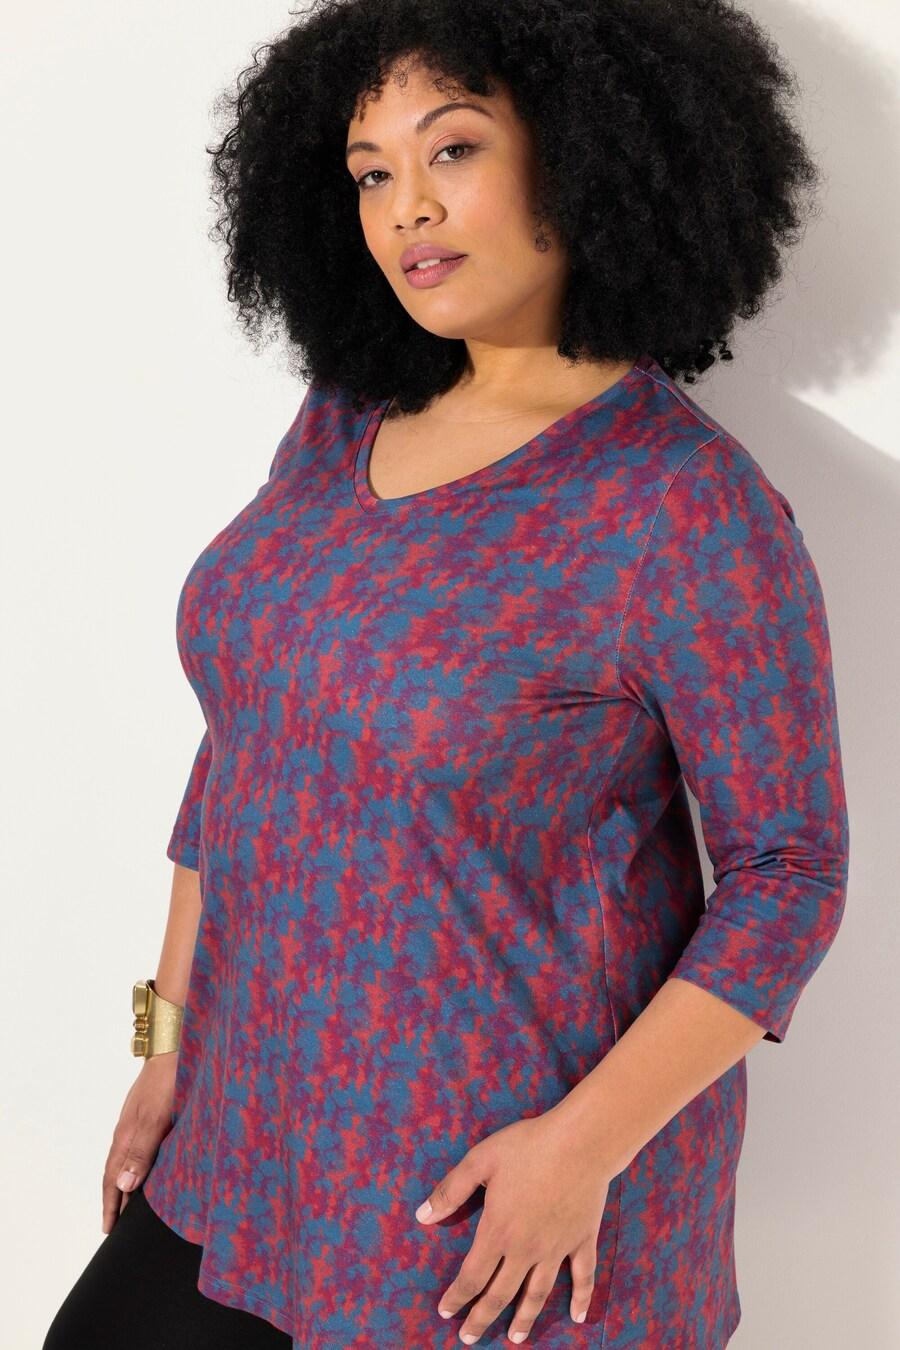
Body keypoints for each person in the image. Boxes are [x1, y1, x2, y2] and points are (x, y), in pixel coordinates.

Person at [43, 1, 850, 1347]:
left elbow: (790, 871)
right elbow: (246, 736)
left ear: (583, 155)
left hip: (487, 1200)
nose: (406, 207)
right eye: (370, 173)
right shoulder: (340, 421)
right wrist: (166, 1039)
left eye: (454, 149)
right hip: (249, 1135)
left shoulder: (682, 506)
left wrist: (576, 1151)